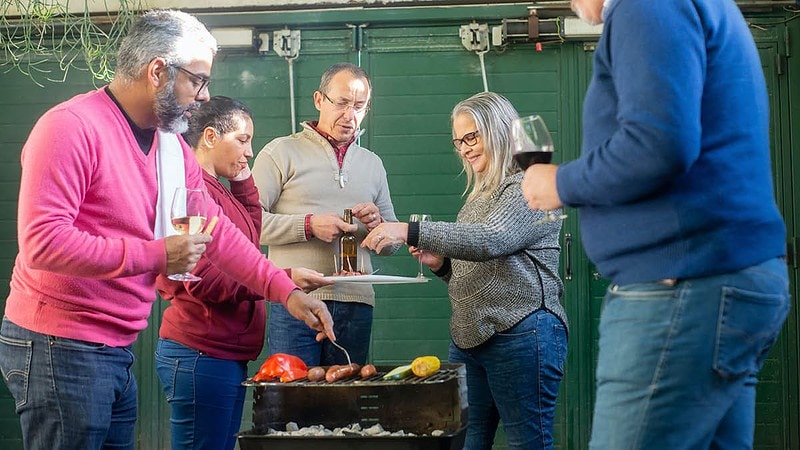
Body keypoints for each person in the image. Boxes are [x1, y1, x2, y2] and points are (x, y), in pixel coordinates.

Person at [0, 10, 333, 450]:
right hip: (59, 343)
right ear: (158, 71)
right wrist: (159, 254)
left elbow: (217, 232)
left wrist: (285, 291)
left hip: (116, 347)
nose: (204, 95)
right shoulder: (69, 127)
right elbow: (43, 243)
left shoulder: (170, 144)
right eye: (197, 80)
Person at [522, 1, 790, 449]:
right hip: (722, 279)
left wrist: (561, 183)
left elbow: (658, 143)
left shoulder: (646, 5)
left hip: (682, 286)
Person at [363, 92, 568, 450]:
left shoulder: (528, 187)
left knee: (528, 444)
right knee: (466, 443)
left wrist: (408, 230)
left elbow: (491, 239)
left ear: (499, 130)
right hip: (471, 339)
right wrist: (443, 266)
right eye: (459, 141)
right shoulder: (479, 198)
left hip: (523, 333)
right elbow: (480, 268)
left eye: (472, 137)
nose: (465, 149)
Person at [154, 96, 333, 450]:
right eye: (242, 140)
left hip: (223, 355)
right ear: (209, 137)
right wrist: (284, 279)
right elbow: (206, 280)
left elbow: (250, 238)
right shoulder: (193, 194)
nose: (250, 151)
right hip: (200, 354)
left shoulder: (218, 188)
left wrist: (243, 180)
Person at [252, 62, 399, 367]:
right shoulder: (279, 153)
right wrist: (308, 226)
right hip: (294, 301)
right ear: (319, 100)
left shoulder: (373, 164)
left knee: (346, 396)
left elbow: (393, 244)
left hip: (357, 305)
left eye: (359, 106)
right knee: (292, 394)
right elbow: (248, 225)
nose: (350, 115)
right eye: (342, 103)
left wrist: (379, 226)